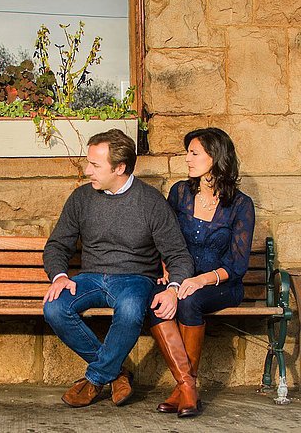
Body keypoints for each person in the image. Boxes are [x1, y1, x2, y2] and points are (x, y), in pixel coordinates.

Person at [43, 129, 194, 409]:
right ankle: (116, 373)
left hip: (135, 279)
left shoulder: (150, 202)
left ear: (120, 168)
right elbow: (56, 246)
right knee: (53, 308)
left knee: (130, 309)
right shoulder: (81, 199)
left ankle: (95, 377)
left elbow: (178, 254)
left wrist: (173, 289)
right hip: (90, 278)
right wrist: (60, 276)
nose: (87, 170)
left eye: (95, 165)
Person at [149, 127, 255, 418]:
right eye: (188, 152)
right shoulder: (180, 193)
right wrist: (167, 269)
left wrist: (198, 280)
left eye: (194, 153)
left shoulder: (240, 205)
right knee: (156, 300)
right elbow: (165, 237)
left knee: (189, 301)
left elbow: (237, 264)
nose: (187, 159)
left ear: (215, 158)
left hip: (221, 284)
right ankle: (187, 388)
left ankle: (183, 389)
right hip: (181, 280)